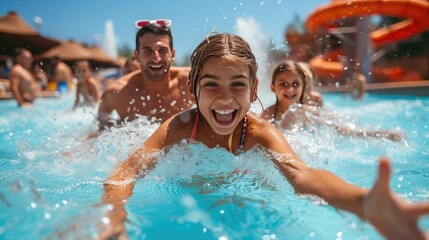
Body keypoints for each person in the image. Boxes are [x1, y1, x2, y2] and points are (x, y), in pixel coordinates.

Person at [100, 33, 429, 240]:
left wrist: (363, 204)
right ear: (192, 88)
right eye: (211, 84)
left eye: (238, 85)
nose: (225, 98)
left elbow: (303, 176)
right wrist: (116, 218)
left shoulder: (259, 132)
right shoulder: (180, 127)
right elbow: (123, 174)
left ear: (255, 88)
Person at [262, 60, 403, 141]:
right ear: (273, 87)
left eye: (295, 84)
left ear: (303, 87)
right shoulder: (267, 115)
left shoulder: (306, 112)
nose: (290, 90)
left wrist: (382, 134)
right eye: (283, 84)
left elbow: (342, 129)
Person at [97, 19, 193, 131]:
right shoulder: (115, 94)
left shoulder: (190, 82)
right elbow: (97, 134)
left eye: (162, 50)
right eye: (148, 51)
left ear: (172, 54)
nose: (156, 59)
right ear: (137, 55)